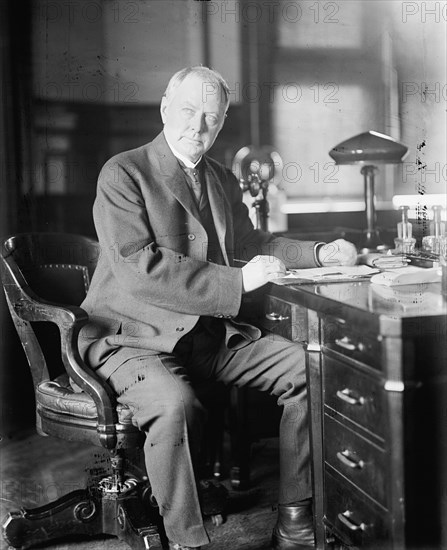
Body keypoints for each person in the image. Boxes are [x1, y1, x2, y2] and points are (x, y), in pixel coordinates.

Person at [79, 66, 357, 550]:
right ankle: (187, 541)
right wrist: (237, 280)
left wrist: (319, 252)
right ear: (165, 107)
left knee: (311, 370)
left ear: (222, 121)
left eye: (212, 117)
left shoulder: (221, 179)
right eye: (188, 111)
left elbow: (254, 242)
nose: (198, 126)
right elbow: (138, 267)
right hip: (131, 337)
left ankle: (294, 517)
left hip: (205, 335)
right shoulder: (123, 172)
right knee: (175, 405)